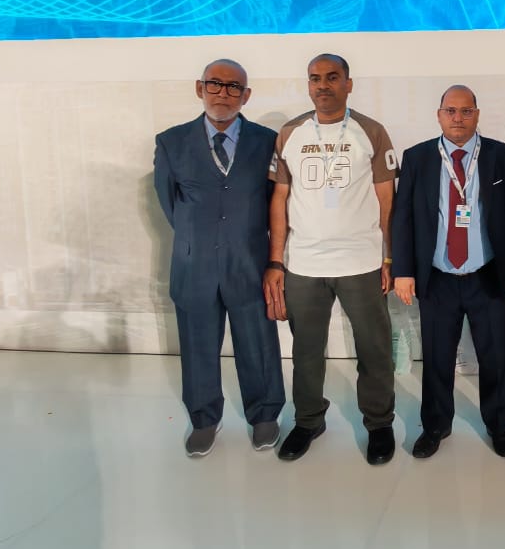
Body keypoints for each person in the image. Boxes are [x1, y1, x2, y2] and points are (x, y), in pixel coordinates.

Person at [263, 54, 397, 466]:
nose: (323, 85)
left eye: (332, 77)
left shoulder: (371, 131)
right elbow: (280, 198)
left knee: (373, 349)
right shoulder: (290, 133)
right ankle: (308, 421)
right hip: (305, 265)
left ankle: (379, 424)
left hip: (361, 261)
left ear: (348, 84)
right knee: (306, 351)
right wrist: (276, 261)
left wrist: (389, 256)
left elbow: (387, 198)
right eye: (315, 78)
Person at [391, 85, 505, 459]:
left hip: (488, 274)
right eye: (450, 111)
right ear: (439, 115)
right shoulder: (418, 157)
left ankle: (499, 425)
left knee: (496, 356)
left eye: (466, 111)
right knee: (437, 357)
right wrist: (403, 270)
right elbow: (402, 217)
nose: (458, 118)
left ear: (477, 114)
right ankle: (435, 425)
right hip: (437, 276)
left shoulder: (502, 156)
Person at [154, 59, 285, 457]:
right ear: (200, 88)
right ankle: (204, 419)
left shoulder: (267, 141)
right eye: (215, 84)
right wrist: (199, 240)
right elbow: (170, 203)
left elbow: (274, 202)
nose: (223, 93)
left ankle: (264, 415)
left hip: (249, 263)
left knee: (258, 343)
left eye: (233, 87)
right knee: (197, 346)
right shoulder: (172, 141)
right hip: (193, 267)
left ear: (246, 95)